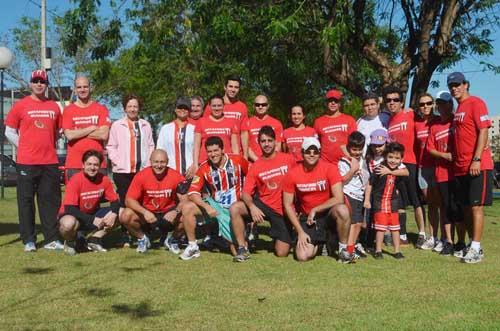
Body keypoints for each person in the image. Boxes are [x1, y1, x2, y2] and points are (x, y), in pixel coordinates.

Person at [5, 69, 64, 252]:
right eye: (36, 81)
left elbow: (58, 132)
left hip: (49, 162)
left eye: (42, 81)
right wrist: (23, 147)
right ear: (30, 83)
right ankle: (29, 240)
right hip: (26, 162)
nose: (39, 84)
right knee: (26, 201)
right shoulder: (20, 105)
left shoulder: (54, 106)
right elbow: (9, 131)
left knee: (49, 201)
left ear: (46, 85)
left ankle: (51, 239)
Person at [282, 137, 354, 263]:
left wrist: (315, 209)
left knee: (342, 209)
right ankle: (322, 244)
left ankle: (343, 250)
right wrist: (300, 232)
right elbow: (287, 205)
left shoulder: (330, 168)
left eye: (315, 151)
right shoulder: (292, 174)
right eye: (308, 151)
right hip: (309, 219)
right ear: (302, 152)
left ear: (319, 153)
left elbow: (339, 198)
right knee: (302, 256)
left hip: (328, 214)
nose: (312, 154)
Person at [230, 126, 296, 262]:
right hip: (263, 205)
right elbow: (245, 193)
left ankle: (283, 236)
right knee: (235, 208)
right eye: (263, 141)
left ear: (275, 141)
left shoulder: (288, 159)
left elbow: (299, 182)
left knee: (282, 252)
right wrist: (252, 207)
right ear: (259, 143)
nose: (266, 144)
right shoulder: (255, 166)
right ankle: (242, 247)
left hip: (283, 209)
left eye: (269, 140)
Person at [448, 72, 494, 263]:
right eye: (451, 86)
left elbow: (483, 129)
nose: (454, 88)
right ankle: (470, 244)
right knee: (466, 207)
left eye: (458, 84)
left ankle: (476, 247)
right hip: (461, 167)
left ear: (466, 85)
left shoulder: (476, 102)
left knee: (476, 206)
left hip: (477, 165)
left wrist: (476, 159)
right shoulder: (459, 109)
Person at [181, 136, 249, 260]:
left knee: (235, 251)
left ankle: (235, 239)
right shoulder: (203, 167)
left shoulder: (238, 161)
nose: (213, 154)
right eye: (210, 152)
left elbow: (251, 178)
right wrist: (207, 207)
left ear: (222, 150)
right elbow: (193, 193)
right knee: (187, 208)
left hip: (235, 209)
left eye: (216, 150)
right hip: (216, 207)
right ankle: (192, 246)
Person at [106, 93, 155, 246]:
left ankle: (141, 231)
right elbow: (111, 147)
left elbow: (151, 145)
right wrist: (118, 161)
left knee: (141, 202)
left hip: (142, 171)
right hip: (123, 172)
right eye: (130, 106)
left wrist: (149, 163)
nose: (133, 109)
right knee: (125, 202)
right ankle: (125, 234)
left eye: (135, 106)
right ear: (125, 108)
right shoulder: (117, 125)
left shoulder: (145, 124)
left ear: (139, 108)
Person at [120, 149, 187, 254]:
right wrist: (145, 212)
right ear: (150, 161)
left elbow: (185, 199)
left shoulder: (176, 176)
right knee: (125, 215)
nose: (159, 165)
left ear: (167, 162)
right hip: (148, 213)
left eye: (162, 162)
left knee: (189, 214)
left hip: (169, 212)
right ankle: (142, 238)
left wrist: (176, 211)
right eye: (156, 162)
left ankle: (172, 239)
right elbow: (129, 200)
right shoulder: (141, 175)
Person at [384, 86, 426, 248]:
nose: (392, 103)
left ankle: (422, 233)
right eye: (388, 100)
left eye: (395, 100)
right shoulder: (388, 121)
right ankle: (402, 234)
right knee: (399, 201)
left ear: (401, 102)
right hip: (395, 165)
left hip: (411, 163)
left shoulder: (410, 114)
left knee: (416, 201)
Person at [426, 91, 466, 256]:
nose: (442, 106)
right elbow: (430, 148)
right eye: (439, 103)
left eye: (445, 103)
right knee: (446, 208)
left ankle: (461, 241)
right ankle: (448, 241)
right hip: (441, 173)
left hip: (457, 172)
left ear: (451, 104)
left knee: (458, 208)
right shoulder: (435, 126)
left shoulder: (456, 121)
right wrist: (445, 156)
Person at [58, 150, 120, 255]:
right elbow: (69, 208)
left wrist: (114, 214)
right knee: (68, 224)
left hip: (92, 214)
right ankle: (70, 242)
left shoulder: (104, 179)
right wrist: (93, 219)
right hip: (74, 216)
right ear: (83, 165)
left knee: (121, 213)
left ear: (100, 166)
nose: (92, 168)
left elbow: (115, 201)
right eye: (89, 164)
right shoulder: (75, 180)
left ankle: (94, 239)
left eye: (95, 165)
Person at [364, 142, 408, 259]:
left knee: (395, 228)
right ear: (385, 156)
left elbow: (407, 172)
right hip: (379, 202)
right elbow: (370, 184)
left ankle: (397, 251)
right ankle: (378, 250)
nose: (393, 160)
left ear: (401, 159)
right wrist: (367, 200)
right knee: (380, 228)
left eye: (397, 158)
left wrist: (390, 172)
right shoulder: (379, 168)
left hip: (393, 203)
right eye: (391, 157)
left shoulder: (398, 169)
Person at [62, 76, 111, 181]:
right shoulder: (68, 110)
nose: (82, 90)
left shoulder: (101, 109)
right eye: (79, 87)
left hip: (97, 164)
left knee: (98, 197)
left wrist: (77, 131)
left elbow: (103, 135)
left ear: (90, 88)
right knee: (74, 197)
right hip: (74, 164)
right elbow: (69, 136)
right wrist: (91, 128)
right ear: (74, 90)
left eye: (85, 87)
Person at [414, 93, 441, 251]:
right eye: (422, 104)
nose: (425, 107)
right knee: (431, 204)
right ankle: (433, 237)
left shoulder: (439, 120)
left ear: (433, 104)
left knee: (442, 204)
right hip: (422, 168)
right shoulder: (416, 124)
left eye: (428, 103)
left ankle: (445, 238)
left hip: (439, 168)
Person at [338, 131, 370, 259]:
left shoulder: (363, 160)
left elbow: (367, 179)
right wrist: (352, 171)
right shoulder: (344, 162)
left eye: (359, 149)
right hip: (348, 194)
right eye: (354, 149)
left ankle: (351, 247)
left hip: (359, 195)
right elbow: (341, 179)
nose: (357, 152)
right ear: (349, 148)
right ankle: (348, 250)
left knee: (358, 224)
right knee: (352, 223)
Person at [193, 94, 239, 166]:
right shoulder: (201, 121)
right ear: (210, 106)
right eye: (214, 106)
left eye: (219, 105)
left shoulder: (231, 122)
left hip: (226, 164)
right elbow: (196, 146)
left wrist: (236, 163)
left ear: (223, 106)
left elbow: (235, 147)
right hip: (205, 163)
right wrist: (195, 165)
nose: (217, 108)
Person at [313, 89, 357, 165]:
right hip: (325, 164)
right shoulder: (318, 122)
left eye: (336, 101)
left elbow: (355, 143)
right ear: (326, 103)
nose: (333, 103)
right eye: (330, 101)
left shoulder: (349, 120)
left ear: (339, 104)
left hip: (345, 163)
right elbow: (316, 144)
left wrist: (353, 159)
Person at [157, 97, 196, 178]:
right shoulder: (165, 128)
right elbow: (160, 151)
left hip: (190, 173)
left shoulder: (194, 129)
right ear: (175, 109)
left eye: (185, 108)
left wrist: (194, 166)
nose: (182, 110)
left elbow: (198, 151)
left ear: (189, 110)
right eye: (180, 107)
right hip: (169, 174)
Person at [241, 95, 283, 161]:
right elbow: (246, 147)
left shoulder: (276, 123)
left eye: (263, 105)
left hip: (272, 162)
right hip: (254, 162)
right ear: (254, 106)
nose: (260, 107)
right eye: (257, 105)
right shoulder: (247, 123)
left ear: (268, 106)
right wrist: (258, 161)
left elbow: (277, 146)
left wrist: (270, 160)